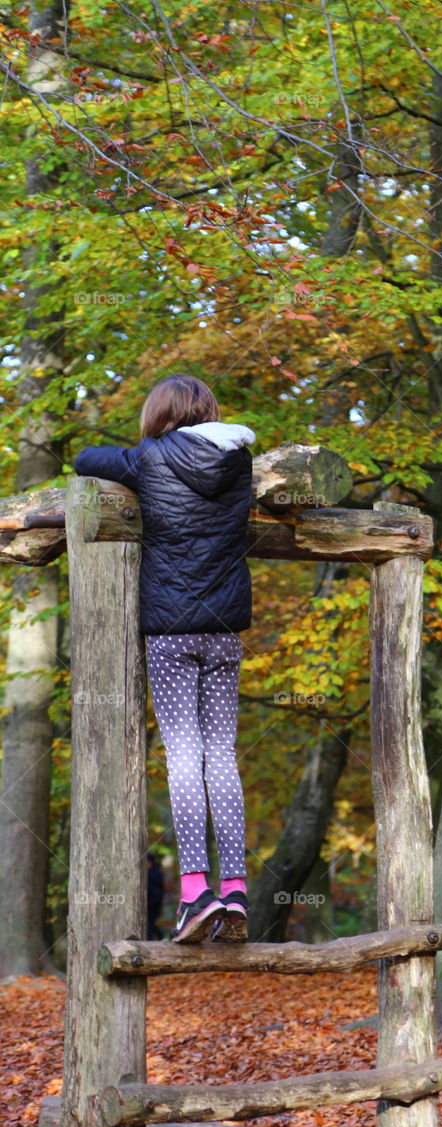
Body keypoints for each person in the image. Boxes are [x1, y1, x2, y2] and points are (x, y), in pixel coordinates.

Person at [74, 373, 255, 943]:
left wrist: (140, 448)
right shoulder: (241, 462)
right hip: (225, 628)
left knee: (185, 753)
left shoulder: (147, 458)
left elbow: (84, 458)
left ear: (159, 415)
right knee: (222, 753)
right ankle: (237, 890)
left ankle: (195, 891)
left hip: (171, 631)